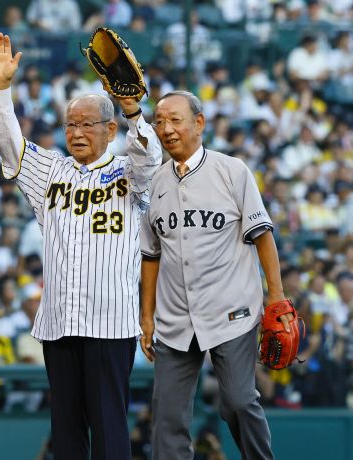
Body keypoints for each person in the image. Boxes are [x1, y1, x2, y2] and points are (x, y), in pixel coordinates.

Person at [0, 33, 161, 460]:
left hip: (109, 323)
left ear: (109, 129)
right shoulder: (51, 170)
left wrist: (134, 110)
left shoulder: (128, 172)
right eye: (71, 124)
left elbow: (151, 158)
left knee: (108, 428)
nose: (77, 132)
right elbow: (9, 144)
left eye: (87, 124)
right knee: (65, 432)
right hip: (59, 322)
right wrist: (2, 89)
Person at [140, 91, 293, 460]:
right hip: (176, 316)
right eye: (160, 121)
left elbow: (263, 237)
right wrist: (147, 316)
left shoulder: (232, 170)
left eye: (175, 120)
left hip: (232, 308)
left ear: (200, 123)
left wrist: (276, 296)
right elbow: (150, 255)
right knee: (166, 418)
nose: (166, 129)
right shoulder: (153, 183)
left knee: (239, 402)